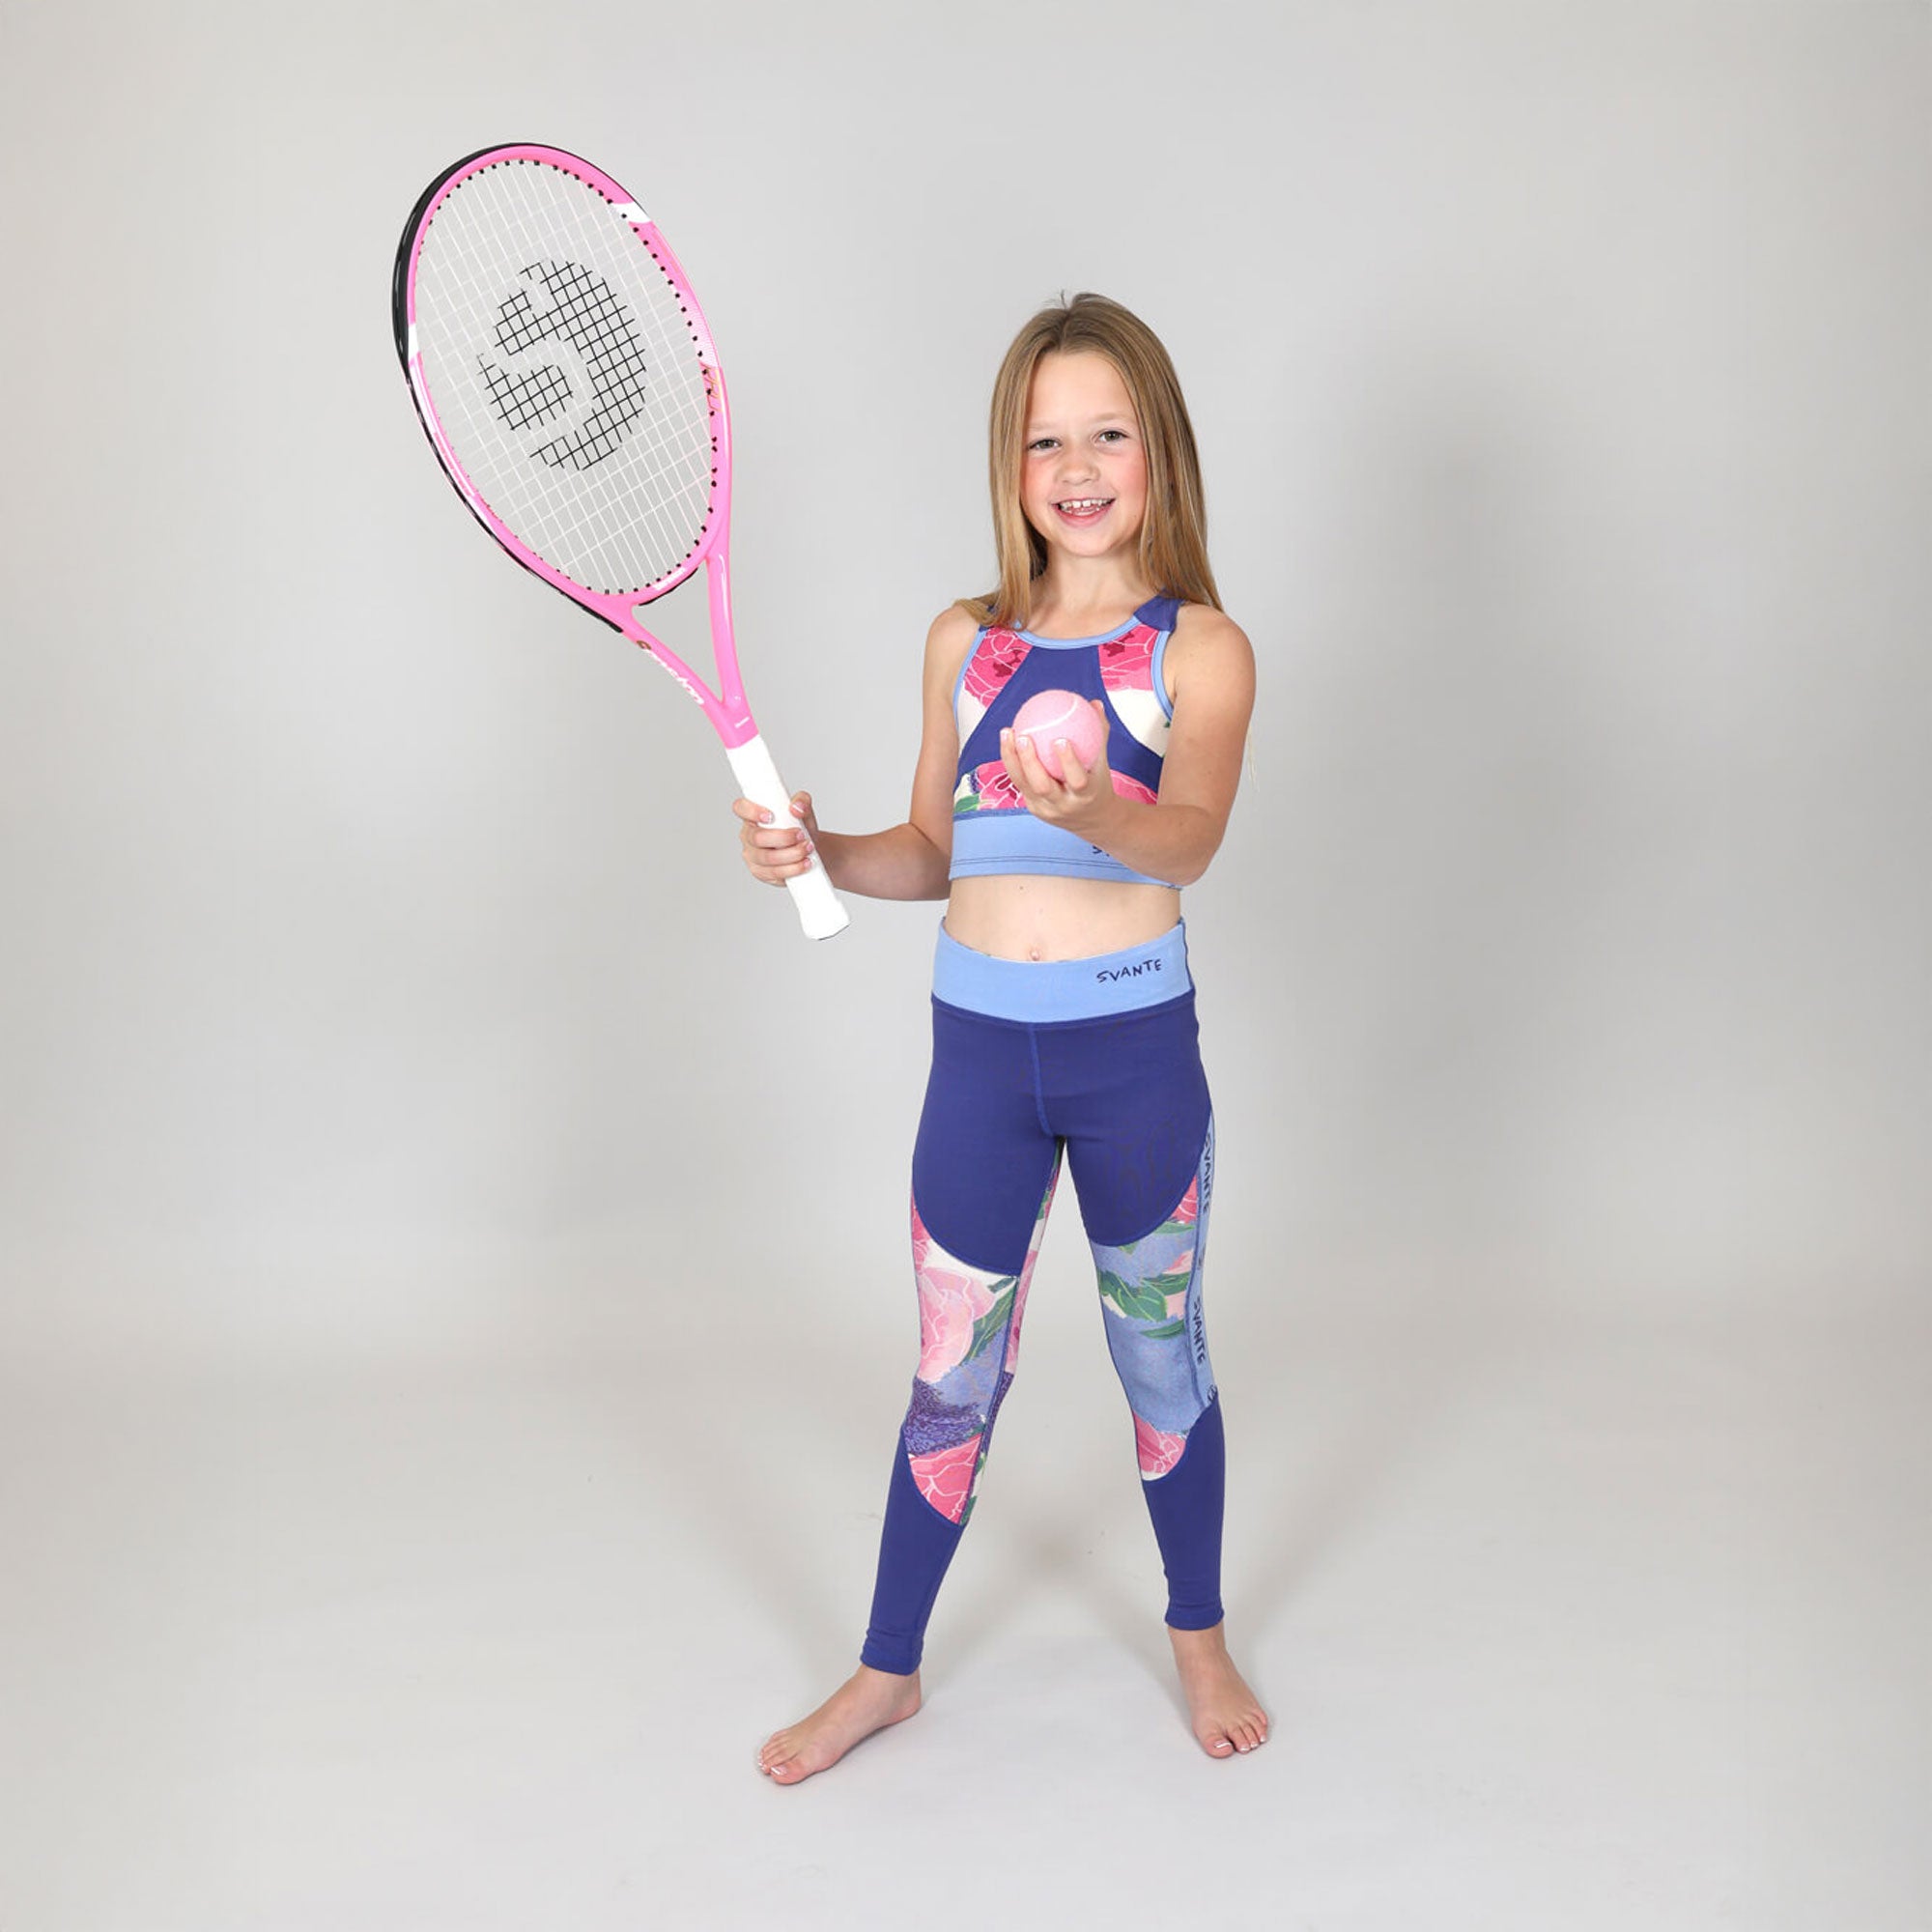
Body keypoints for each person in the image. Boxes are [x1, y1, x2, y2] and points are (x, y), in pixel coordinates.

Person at [735, 293, 1264, 1782]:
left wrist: (1103, 812)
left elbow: (1196, 834)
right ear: (1010, 463)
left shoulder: (1199, 650)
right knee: (950, 1375)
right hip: (979, 1058)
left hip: (1132, 1060)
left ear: (1160, 450)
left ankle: (1200, 1632)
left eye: (1110, 433)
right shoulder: (963, 644)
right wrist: (823, 851)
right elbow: (934, 850)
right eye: (1048, 440)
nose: (1079, 465)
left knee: (1160, 1362)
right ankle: (886, 1669)